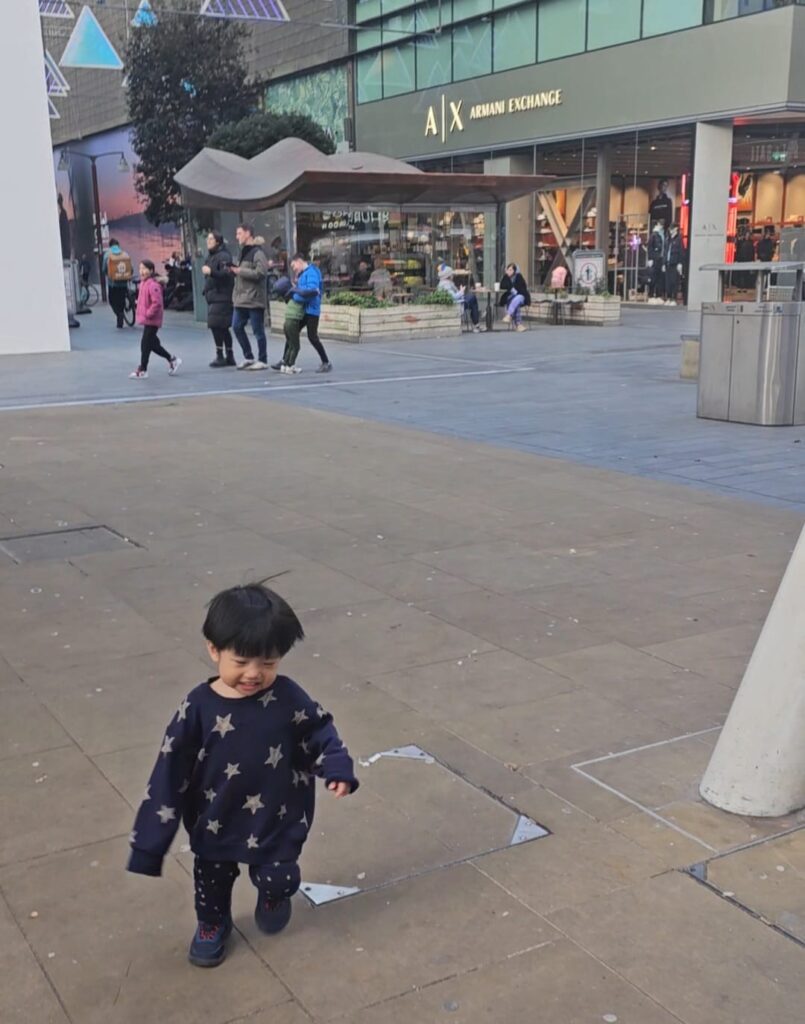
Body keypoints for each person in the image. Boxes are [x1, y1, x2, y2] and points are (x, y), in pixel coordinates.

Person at [126, 582, 358, 969]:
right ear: (213, 649)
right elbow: (169, 772)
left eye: (268, 664)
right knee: (211, 885)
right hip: (216, 821)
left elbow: (319, 732)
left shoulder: (288, 697)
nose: (254, 674)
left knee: (280, 877)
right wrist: (150, 842)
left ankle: (273, 895)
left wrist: (336, 767)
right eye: (242, 661)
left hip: (278, 819)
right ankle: (212, 925)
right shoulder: (197, 708)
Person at [273, 253, 332, 374]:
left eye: (293, 265)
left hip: (311, 310)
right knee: (291, 333)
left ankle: (326, 361)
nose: (293, 269)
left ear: (299, 261)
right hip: (304, 309)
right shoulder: (304, 274)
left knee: (312, 336)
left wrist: (295, 294)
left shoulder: (311, 273)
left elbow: (311, 291)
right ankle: (285, 360)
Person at [129, 259, 181, 380]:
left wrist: (148, 313)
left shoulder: (153, 285)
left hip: (152, 320)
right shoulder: (143, 283)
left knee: (145, 344)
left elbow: (157, 303)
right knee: (152, 344)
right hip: (147, 319)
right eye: (140, 268)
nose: (142, 271)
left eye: (144, 269)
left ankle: (143, 369)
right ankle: (172, 359)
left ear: (151, 270)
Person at [231, 223, 270, 370]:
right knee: (236, 326)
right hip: (240, 298)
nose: (237, 237)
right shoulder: (241, 252)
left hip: (254, 299)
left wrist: (240, 271)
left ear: (248, 233)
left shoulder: (258, 253)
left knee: (257, 330)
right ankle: (248, 356)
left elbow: (261, 273)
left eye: (239, 233)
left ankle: (263, 359)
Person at [202, 231, 235, 368]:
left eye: (211, 239)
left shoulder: (223, 256)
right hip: (214, 296)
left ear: (218, 242)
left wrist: (211, 272)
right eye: (207, 239)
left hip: (222, 296)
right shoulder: (211, 256)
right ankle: (229, 355)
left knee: (216, 325)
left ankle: (221, 355)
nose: (208, 241)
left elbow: (226, 274)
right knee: (222, 326)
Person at [437, 264, 481, 331]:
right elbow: (453, 297)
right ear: (448, 275)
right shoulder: (446, 285)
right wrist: (461, 291)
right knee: (472, 298)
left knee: (472, 299)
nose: (453, 276)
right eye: (452, 274)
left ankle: (476, 323)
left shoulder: (443, 283)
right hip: (456, 304)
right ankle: (476, 323)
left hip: (456, 303)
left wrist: (460, 292)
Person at [103, 237, 133, 329]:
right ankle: (123, 309)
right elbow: (130, 268)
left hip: (113, 283)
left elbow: (104, 269)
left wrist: (107, 274)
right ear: (118, 245)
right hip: (124, 282)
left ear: (110, 245)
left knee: (112, 300)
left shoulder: (107, 254)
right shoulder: (125, 254)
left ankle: (119, 314)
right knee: (121, 298)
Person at [499, 263, 530, 332]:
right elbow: (502, 286)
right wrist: (507, 278)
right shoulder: (506, 277)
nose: (509, 271)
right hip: (511, 298)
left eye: (511, 270)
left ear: (514, 271)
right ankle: (518, 325)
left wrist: (514, 291)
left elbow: (521, 289)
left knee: (518, 297)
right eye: (508, 270)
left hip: (522, 296)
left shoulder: (519, 277)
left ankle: (509, 315)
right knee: (516, 303)